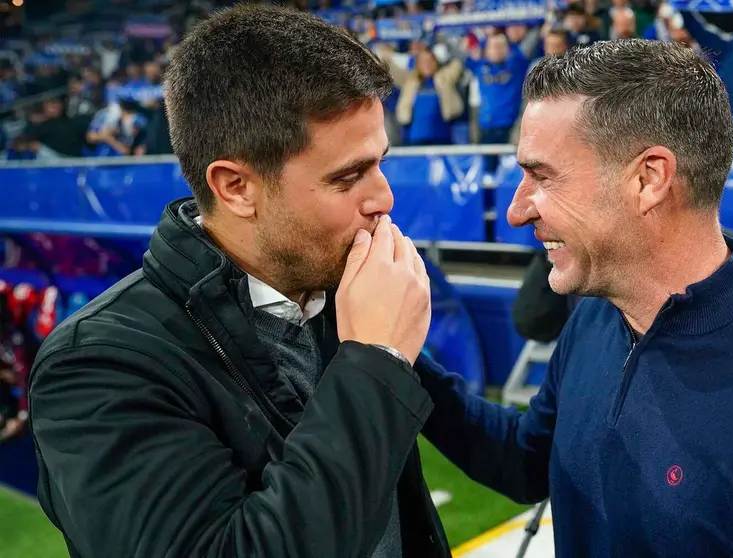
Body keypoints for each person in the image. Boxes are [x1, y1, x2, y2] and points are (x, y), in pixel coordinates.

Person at [414, 39, 733, 556]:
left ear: (648, 179)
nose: (517, 210)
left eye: (543, 176)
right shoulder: (595, 319)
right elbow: (524, 461)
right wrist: (396, 360)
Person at [28, 5, 449, 557]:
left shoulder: (330, 287)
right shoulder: (97, 364)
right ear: (235, 187)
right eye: (348, 176)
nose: (384, 198)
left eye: (379, 164)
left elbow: (513, 454)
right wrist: (376, 361)